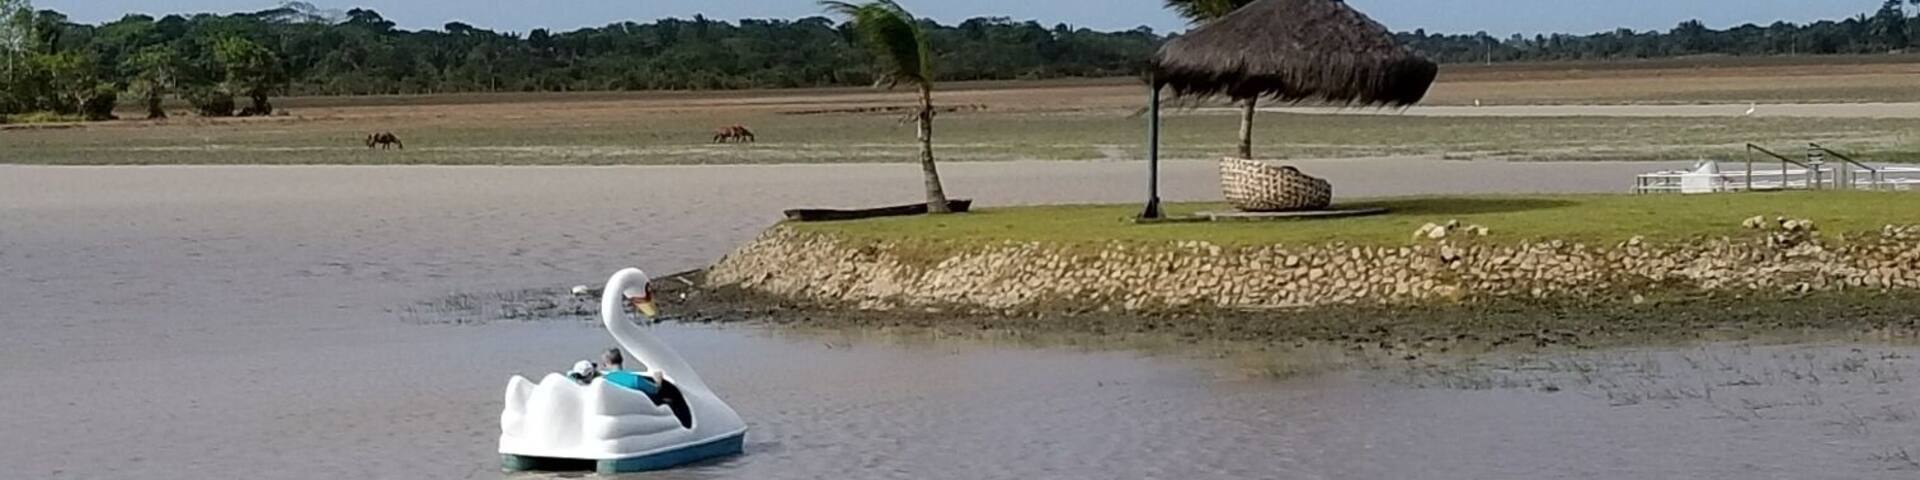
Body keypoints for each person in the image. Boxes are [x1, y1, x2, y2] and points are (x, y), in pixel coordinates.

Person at [597, 348, 663, 397]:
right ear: (621, 360)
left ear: (607, 363)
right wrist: (658, 381)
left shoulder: (603, 381)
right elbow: (655, 390)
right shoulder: (635, 379)